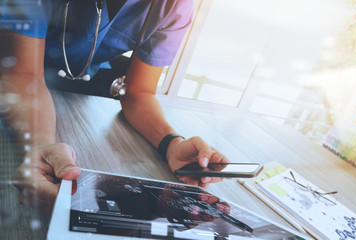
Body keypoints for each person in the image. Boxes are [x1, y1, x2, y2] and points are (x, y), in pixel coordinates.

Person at [0, 0, 229, 212]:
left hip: (76, 90)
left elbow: (138, 92)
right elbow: (23, 75)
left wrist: (171, 143)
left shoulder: (175, 5)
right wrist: (41, 147)